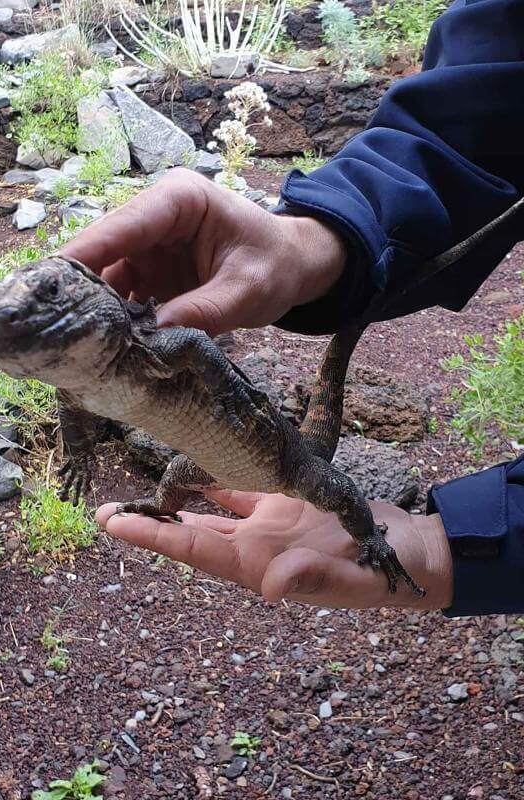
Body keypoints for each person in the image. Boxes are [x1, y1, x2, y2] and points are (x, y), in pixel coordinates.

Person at [61, 0, 524, 618]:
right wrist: (319, 236)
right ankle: (166, 504)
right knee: (177, 473)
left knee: (331, 490)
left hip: (282, 458)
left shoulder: (285, 459)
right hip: (217, 452)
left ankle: (375, 543)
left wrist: (433, 543)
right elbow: (473, 104)